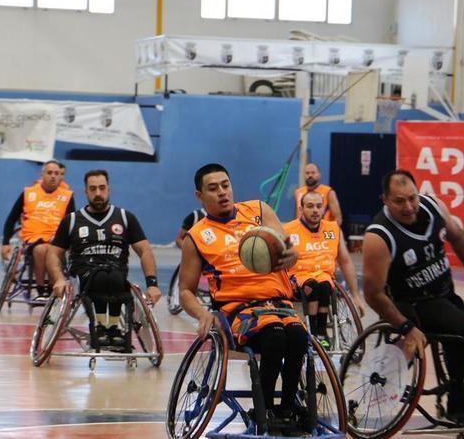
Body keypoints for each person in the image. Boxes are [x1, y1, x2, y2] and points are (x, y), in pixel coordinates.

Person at [362, 170, 464, 426]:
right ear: (385, 200)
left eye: (412, 198)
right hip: (408, 303)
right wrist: (406, 327)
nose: (409, 206)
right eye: (399, 201)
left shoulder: (434, 207)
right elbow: (373, 294)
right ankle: (460, 409)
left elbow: (457, 238)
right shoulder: (379, 236)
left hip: (443, 294)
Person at [178, 163, 305, 431]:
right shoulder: (197, 236)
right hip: (237, 309)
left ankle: (288, 409)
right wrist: (202, 314)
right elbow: (185, 291)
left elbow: (287, 248)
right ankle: (265, 408)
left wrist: (291, 255)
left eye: (226, 185)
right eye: (213, 188)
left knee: (296, 334)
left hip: (279, 302)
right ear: (199, 195)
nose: (222, 192)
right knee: (274, 335)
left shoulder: (259, 210)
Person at [46, 170, 161, 349]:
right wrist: (59, 279)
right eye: (93, 189)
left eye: (102, 188)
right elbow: (53, 253)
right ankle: (100, 326)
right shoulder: (72, 220)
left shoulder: (125, 217)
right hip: (84, 275)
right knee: (100, 277)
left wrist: (152, 283)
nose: (98, 193)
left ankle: (112, 327)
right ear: (86, 191)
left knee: (114, 277)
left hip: (116, 273)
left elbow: (145, 250)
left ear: (109, 189)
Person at [284, 191, 365, 348]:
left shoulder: (333, 229)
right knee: (313, 285)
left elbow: (346, 261)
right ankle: (313, 331)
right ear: (301, 209)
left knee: (324, 285)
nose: (315, 210)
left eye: (319, 206)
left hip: (324, 278)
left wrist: (355, 295)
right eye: (310, 206)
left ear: (324, 209)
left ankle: (320, 332)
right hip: (298, 279)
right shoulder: (287, 230)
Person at [2, 160, 74, 300]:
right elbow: (11, 219)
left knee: (53, 249)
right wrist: (5, 242)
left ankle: (54, 288)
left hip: (56, 238)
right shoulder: (28, 193)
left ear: (61, 176)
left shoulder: (67, 196)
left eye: (56, 173)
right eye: (49, 173)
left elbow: (72, 221)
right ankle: (41, 290)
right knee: (41, 250)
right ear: (42, 175)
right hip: (33, 237)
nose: (53, 176)